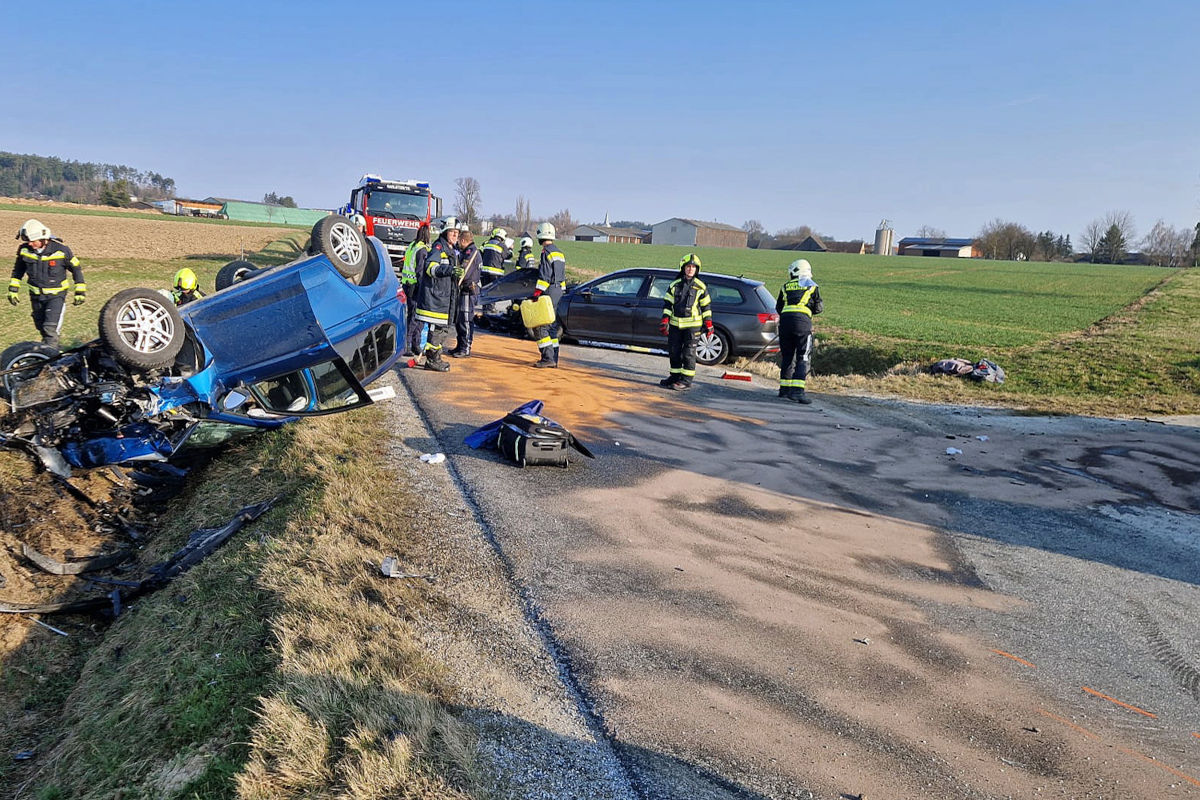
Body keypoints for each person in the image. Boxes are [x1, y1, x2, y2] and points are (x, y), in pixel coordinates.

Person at [8, 219, 86, 351]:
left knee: (49, 328)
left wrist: (80, 291)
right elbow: (18, 270)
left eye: (33, 241)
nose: (30, 244)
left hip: (56, 297)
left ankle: (50, 358)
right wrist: (13, 289)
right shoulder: (24, 250)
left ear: (43, 238)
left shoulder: (61, 251)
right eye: (28, 241)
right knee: (41, 327)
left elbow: (76, 269)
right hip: (36, 296)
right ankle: (53, 351)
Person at [414, 218, 463, 372]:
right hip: (435, 300)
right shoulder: (438, 247)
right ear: (445, 232)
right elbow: (430, 268)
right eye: (452, 232)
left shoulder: (450, 250)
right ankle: (432, 361)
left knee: (442, 331)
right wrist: (449, 271)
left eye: (457, 233)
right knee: (437, 331)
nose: (455, 235)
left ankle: (436, 358)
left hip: (444, 299)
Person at [657, 253, 713, 390]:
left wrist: (709, 324)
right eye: (688, 266)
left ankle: (686, 381)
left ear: (697, 269)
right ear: (683, 268)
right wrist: (665, 320)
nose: (690, 269)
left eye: (693, 267)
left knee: (689, 353)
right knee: (674, 351)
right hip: (676, 325)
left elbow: (706, 307)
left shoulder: (701, 287)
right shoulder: (674, 285)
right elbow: (667, 304)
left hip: (693, 327)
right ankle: (675, 377)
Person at [775, 258, 823, 404]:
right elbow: (819, 308)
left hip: (785, 324)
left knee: (788, 356)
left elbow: (779, 307)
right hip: (802, 325)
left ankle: (784, 390)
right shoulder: (812, 287)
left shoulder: (785, 286)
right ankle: (797, 392)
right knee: (803, 356)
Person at [530, 222, 566, 368]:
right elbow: (561, 277)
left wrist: (536, 294)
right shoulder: (559, 253)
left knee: (541, 326)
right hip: (559, 291)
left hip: (549, 291)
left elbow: (545, 276)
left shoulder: (546, 253)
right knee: (552, 326)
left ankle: (547, 358)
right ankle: (554, 359)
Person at [448, 229, 481, 357]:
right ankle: (460, 345)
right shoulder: (467, 251)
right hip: (464, 291)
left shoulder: (471, 252)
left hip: (468, 290)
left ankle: (465, 347)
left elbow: (464, 272)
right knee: (460, 319)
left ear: (463, 240)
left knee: (466, 320)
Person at [401, 223, 430, 356]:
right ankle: (409, 345)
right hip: (416, 287)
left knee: (411, 316)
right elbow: (420, 271)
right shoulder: (422, 250)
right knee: (415, 317)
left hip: (407, 284)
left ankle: (414, 344)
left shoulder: (411, 247)